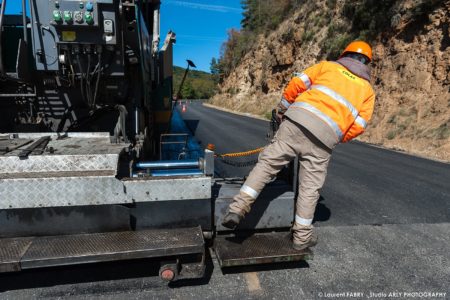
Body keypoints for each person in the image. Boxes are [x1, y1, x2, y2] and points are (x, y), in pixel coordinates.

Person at [221, 41, 376, 250]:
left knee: (267, 166)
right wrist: (335, 135)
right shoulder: (367, 90)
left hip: (297, 122)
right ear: (367, 62)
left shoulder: (327, 66)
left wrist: (283, 108)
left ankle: (237, 210)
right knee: (310, 188)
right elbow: (359, 125)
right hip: (325, 138)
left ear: (344, 54)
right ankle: (301, 238)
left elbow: (297, 84)